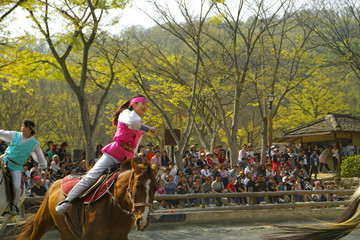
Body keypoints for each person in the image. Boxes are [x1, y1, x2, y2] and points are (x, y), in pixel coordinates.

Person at [56, 95, 156, 214]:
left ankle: (139, 206)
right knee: (92, 176)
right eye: (143, 103)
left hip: (127, 158)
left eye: (147, 105)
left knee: (137, 181)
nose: (146, 107)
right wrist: (148, 128)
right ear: (134, 105)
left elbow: (135, 147)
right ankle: (68, 201)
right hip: (114, 154)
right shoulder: (125, 114)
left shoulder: (140, 124)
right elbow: (132, 123)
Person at [0, 120, 47, 215]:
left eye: (25, 126)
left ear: (31, 129)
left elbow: (40, 157)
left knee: (17, 188)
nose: (23, 128)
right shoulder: (15, 135)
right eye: (23, 126)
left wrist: (44, 167)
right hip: (5, 160)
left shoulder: (34, 143)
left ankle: (14, 205)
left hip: (16, 167)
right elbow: (2, 132)